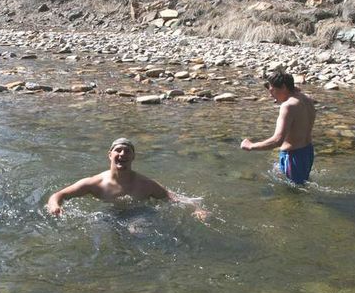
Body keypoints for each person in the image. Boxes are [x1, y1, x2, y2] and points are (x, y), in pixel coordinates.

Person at [47, 138, 208, 220]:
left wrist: (197, 208)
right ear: (110, 155)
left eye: (127, 151)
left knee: (137, 231)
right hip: (107, 215)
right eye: (118, 150)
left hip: (139, 214)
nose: (122, 154)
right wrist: (54, 205)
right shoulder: (94, 183)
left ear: (133, 157)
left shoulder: (146, 184)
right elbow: (58, 195)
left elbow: (173, 198)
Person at [240, 72, 316, 184]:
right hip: (307, 152)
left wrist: (251, 146)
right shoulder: (307, 99)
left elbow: (277, 141)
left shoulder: (288, 106)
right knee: (302, 185)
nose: (270, 95)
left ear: (284, 87)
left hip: (292, 156)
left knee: (293, 194)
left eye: (272, 90)